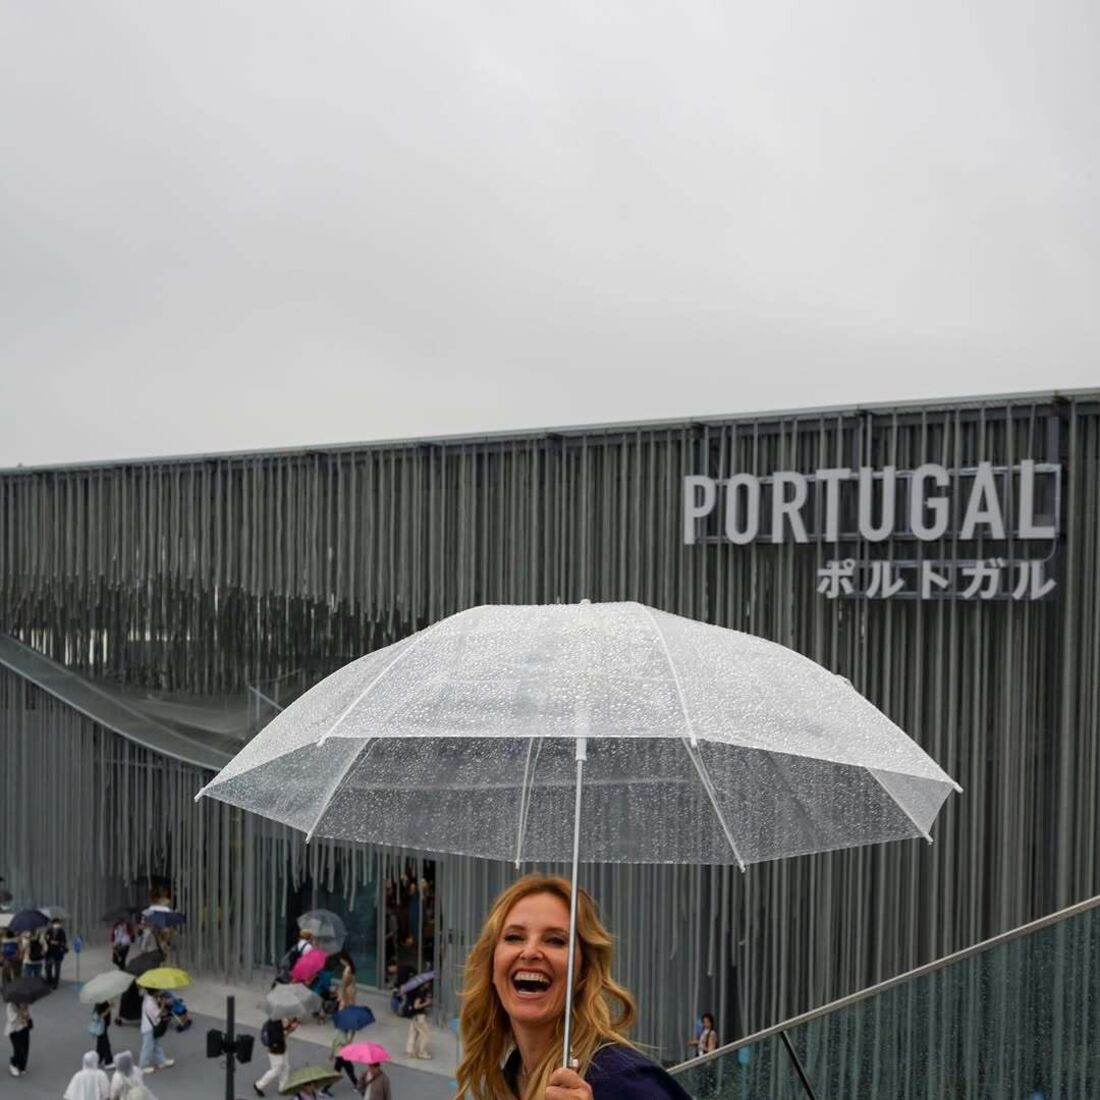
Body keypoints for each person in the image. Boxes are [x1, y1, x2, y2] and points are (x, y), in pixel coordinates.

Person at [455, 874, 693, 1100]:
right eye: (514, 937)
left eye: (555, 940)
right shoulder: (512, 1073)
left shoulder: (623, 1081)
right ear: (492, 965)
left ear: (584, 972)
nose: (530, 952)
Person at [253, 1014, 298, 1096]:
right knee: (276, 1069)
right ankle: (259, 1085)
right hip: (276, 1051)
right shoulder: (273, 1025)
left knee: (286, 1067)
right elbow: (280, 1037)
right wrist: (291, 1029)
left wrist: (289, 1026)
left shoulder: (276, 1021)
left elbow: (282, 1030)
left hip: (281, 1048)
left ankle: (283, 1087)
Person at [138, 989, 174, 1073]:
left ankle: (161, 1061)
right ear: (154, 992)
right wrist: (163, 1004)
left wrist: (159, 1000)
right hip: (149, 1028)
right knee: (147, 1047)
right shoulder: (150, 1003)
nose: (159, 992)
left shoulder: (148, 997)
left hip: (149, 1026)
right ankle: (143, 1066)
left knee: (156, 1045)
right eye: (157, 991)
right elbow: (158, 1014)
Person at [404, 983, 432, 1060]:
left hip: (414, 1016)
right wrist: (426, 1003)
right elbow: (416, 1006)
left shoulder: (415, 991)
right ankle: (421, 1052)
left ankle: (409, 1051)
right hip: (419, 1016)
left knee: (413, 1033)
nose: (429, 984)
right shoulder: (420, 992)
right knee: (425, 1034)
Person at [5, 999, 31, 1077]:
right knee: (18, 1048)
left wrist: (27, 1014)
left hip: (24, 1027)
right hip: (14, 1030)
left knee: (25, 1047)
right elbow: (11, 1018)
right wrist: (20, 1013)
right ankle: (13, 1064)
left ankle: (22, 1065)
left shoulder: (26, 1002)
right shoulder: (11, 1005)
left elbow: (28, 1014)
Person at [45, 915, 69, 988]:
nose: (56, 925)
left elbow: (64, 941)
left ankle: (55, 983)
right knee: (48, 968)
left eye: (58, 923)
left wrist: (57, 943)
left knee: (57, 969)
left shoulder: (62, 931)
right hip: (49, 953)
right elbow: (46, 939)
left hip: (58, 953)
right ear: (52, 924)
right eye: (55, 923)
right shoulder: (49, 931)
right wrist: (50, 941)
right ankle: (49, 981)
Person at [90, 1000, 114, 1068]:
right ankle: (108, 1062)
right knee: (105, 1043)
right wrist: (109, 1008)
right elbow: (100, 1015)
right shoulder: (101, 1002)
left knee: (101, 1043)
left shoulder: (102, 1001)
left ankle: (98, 1059)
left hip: (103, 1025)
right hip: (102, 1025)